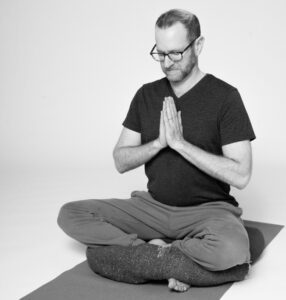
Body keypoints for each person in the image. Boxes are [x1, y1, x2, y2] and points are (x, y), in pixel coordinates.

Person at [57, 9, 256, 292]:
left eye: (175, 53)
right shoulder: (146, 95)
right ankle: (167, 256)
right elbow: (120, 160)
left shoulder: (225, 97)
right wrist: (158, 144)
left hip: (207, 211)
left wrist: (180, 144)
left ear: (198, 45)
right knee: (70, 214)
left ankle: (146, 257)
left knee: (232, 248)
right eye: (160, 53)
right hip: (153, 207)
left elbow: (242, 174)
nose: (166, 63)